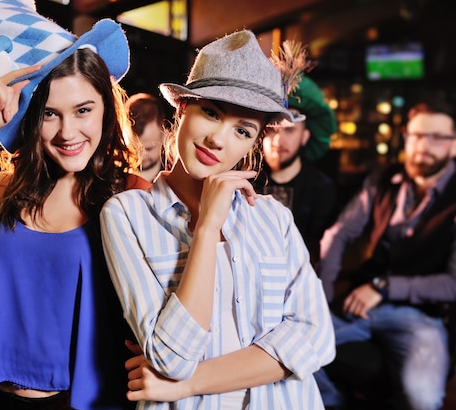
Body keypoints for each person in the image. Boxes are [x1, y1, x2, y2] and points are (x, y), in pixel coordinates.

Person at [0, 0, 147, 409]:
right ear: (30, 117)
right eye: (49, 113)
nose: (68, 132)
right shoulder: (0, 190)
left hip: (91, 401)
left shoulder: (131, 194)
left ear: (105, 108)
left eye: (83, 110)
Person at [100, 30, 335, 410]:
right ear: (182, 109)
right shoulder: (128, 216)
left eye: (242, 130)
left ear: (253, 143)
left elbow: (316, 337)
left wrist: (186, 385)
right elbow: (170, 358)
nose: (218, 140)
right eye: (211, 113)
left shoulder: (273, 218)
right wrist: (207, 228)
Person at [315, 98, 456, 410]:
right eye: (415, 136)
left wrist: (383, 287)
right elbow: (340, 233)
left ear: (455, 147)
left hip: (422, 317)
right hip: (358, 306)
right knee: (294, 354)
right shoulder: (383, 179)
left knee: (423, 399)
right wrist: (319, 295)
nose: (422, 146)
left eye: (437, 138)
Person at [254, 76, 338, 264]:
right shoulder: (247, 182)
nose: (278, 141)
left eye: (289, 130)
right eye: (271, 130)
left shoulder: (321, 189)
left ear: (305, 136)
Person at [126, 93, 168, 182]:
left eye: (148, 149)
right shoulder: (111, 176)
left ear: (164, 136)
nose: (141, 157)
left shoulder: (176, 178)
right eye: (134, 149)